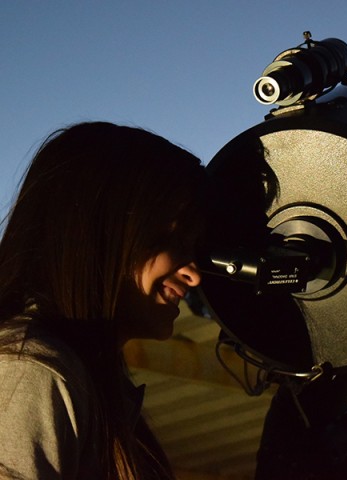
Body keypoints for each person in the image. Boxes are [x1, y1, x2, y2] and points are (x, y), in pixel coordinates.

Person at [0, 122, 208, 479]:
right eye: (173, 239)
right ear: (103, 232)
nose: (194, 274)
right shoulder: (32, 370)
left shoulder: (88, 380)